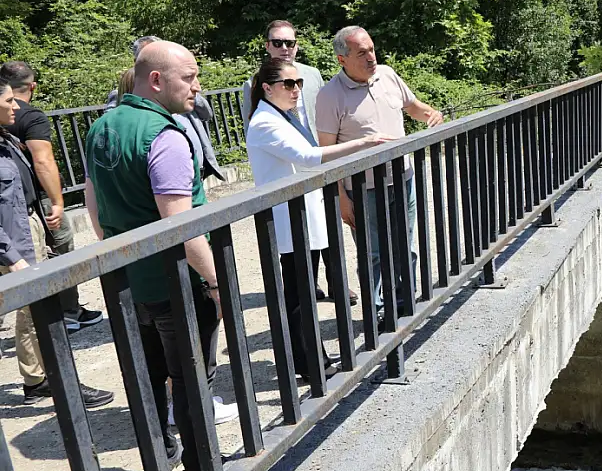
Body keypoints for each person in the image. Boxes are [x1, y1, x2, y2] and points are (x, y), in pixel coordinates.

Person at [85, 41, 227, 471]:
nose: (197, 86)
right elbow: (181, 226)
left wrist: (115, 249)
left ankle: (160, 464)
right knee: (190, 376)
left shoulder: (102, 127)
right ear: (156, 80)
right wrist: (216, 282)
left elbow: (93, 206)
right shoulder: (164, 135)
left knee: (146, 376)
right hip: (174, 283)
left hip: (129, 281)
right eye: (189, 77)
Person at [245, 57, 377, 382]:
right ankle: (309, 362)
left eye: (298, 83)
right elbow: (308, 157)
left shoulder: (283, 116)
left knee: (301, 291)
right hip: (291, 219)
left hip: (302, 215)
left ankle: (311, 359)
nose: (296, 89)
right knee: (298, 294)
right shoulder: (265, 122)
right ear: (267, 88)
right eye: (288, 84)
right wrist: (361, 143)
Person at [0, 76, 114, 407]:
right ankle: (53, 381)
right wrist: (12, 256)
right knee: (40, 308)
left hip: (23, 234)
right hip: (12, 246)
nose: (15, 106)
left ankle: (39, 380)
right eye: (8, 101)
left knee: (35, 309)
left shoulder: (6, 139)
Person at [316, 26, 443, 319]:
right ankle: (377, 314)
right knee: (372, 253)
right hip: (362, 189)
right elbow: (326, 153)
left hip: (402, 178)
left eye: (372, 49)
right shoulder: (329, 96)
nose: (371, 57)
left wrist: (431, 114)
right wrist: (340, 198)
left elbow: (413, 107)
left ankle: (405, 304)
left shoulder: (387, 75)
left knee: (405, 246)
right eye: (362, 53)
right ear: (342, 59)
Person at [240, 20, 357, 307]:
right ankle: (307, 290)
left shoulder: (312, 74)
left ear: (297, 45)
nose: (284, 48)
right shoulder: (256, 84)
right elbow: (254, 128)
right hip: (292, 164)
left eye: (289, 43)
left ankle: (337, 284)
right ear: (267, 46)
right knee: (297, 237)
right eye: (277, 43)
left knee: (328, 227)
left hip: (322, 158)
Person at [0, 61, 105, 333]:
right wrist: (57, 202)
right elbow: (43, 161)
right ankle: (69, 311)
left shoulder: (9, 116)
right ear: (33, 86)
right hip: (31, 201)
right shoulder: (30, 116)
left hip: (7, 202)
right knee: (60, 247)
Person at [107, 35, 224, 182]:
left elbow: (207, 113)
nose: (196, 86)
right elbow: (113, 129)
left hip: (195, 170)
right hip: (167, 173)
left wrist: (187, 93)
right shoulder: (121, 101)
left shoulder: (181, 93)